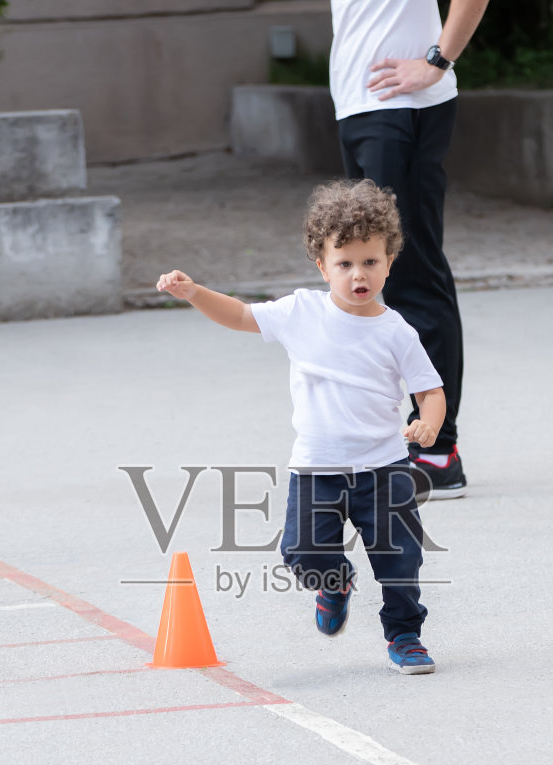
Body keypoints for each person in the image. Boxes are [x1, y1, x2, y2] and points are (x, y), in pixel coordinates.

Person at [157, 180, 446, 674]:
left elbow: (430, 391)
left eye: (371, 261)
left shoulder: (396, 331)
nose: (359, 274)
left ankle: (405, 635)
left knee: (401, 561)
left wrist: (428, 423)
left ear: (390, 261)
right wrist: (194, 292)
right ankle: (334, 583)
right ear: (322, 266)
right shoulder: (301, 312)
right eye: (345, 263)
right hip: (317, 469)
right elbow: (240, 315)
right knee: (301, 552)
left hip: (384, 469)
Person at [331, 0, 491, 500]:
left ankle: (437, 452)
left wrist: (438, 60)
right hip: (359, 104)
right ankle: (389, 445)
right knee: (368, 278)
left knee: (412, 275)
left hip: (404, 107)